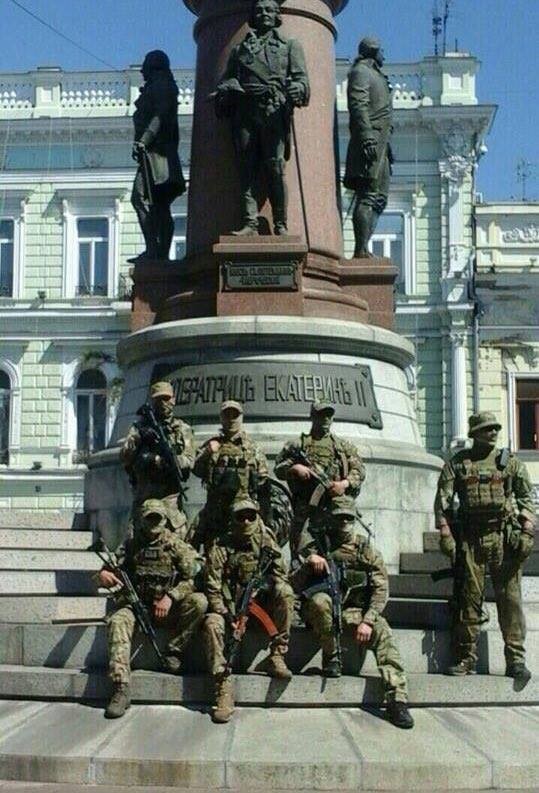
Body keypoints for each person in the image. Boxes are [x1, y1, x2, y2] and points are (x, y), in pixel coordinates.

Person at [292, 496, 414, 729]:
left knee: (384, 633)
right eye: (339, 518)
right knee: (319, 602)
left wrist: (368, 621)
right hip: (322, 614)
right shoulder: (317, 547)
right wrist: (309, 562)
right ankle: (332, 657)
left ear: (355, 520)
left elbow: (381, 589)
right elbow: (293, 585)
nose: (344, 524)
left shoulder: (365, 550)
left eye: (348, 518)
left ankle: (397, 698)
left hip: (357, 612)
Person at [435, 411, 536, 682]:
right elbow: (443, 502)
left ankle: (516, 660)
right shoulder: (458, 463)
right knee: (469, 599)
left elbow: (526, 499)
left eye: (495, 429)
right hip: (471, 539)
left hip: (503, 538)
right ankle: (466, 658)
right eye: (487, 429)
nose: (493, 433)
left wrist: (527, 532)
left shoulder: (510, 463)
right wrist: (445, 534)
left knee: (510, 600)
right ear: (475, 434)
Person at [98, 499, 207, 719]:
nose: (154, 523)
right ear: (142, 520)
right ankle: (120, 687)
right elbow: (109, 569)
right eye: (150, 518)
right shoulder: (131, 545)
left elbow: (197, 575)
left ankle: (174, 651)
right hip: (137, 606)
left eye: (158, 518)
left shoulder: (175, 544)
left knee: (199, 602)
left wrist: (171, 597)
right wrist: (103, 575)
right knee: (118, 621)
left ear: (165, 520)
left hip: (168, 608)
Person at [213, 0, 310, 236]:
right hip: (245, 111)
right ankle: (250, 222)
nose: (264, 14)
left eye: (269, 10)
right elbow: (227, 79)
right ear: (253, 17)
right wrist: (228, 88)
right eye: (259, 10)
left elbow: (302, 80)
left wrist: (298, 89)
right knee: (246, 168)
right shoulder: (240, 50)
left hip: (273, 110)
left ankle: (280, 223)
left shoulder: (289, 46)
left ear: (277, 15)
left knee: (275, 167)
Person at [203, 497, 295, 723]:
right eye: (240, 517)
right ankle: (223, 685)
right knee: (212, 623)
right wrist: (227, 615)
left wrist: (263, 586)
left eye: (250, 516)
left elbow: (280, 574)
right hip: (230, 610)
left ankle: (277, 654)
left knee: (285, 592)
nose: (245, 521)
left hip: (260, 606)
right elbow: (213, 589)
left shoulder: (266, 540)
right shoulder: (221, 546)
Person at [274, 401, 365, 556]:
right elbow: (278, 469)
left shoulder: (342, 446)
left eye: (329, 415)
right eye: (321, 415)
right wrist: (295, 468)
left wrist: (344, 484)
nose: (326, 419)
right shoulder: (298, 444)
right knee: (301, 551)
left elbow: (359, 470)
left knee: (335, 553)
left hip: (335, 509)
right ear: (312, 416)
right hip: (305, 509)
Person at [130, 49, 186, 262]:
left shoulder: (162, 86)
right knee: (157, 205)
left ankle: (156, 251)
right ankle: (155, 251)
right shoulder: (156, 86)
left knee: (145, 199)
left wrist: (144, 139)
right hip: (151, 155)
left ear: (153, 66)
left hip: (159, 155)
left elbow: (160, 116)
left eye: (145, 64)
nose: (142, 70)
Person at [120, 381, 195, 538]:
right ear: (153, 401)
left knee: (175, 545)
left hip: (170, 501)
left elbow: (189, 459)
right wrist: (139, 439)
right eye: (158, 399)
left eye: (166, 399)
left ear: (173, 400)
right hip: (145, 498)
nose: (163, 403)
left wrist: (171, 461)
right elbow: (125, 457)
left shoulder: (182, 429)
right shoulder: (139, 427)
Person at [190, 400, 269, 550]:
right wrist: (207, 453)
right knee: (212, 556)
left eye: (235, 415)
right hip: (216, 515)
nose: (231, 419)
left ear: (241, 417)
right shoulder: (211, 445)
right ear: (221, 418)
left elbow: (263, 481)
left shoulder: (252, 448)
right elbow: (195, 470)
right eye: (227, 415)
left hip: (243, 517)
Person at [343, 36, 393, 259]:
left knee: (380, 198)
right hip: (370, 142)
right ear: (373, 51)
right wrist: (367, 137)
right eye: (382, 50)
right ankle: (361, 250)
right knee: (368, 195)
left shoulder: (377, 75)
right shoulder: (361, 72)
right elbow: (358, 105)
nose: (384, 55)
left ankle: (364, 247)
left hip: (382, 143)